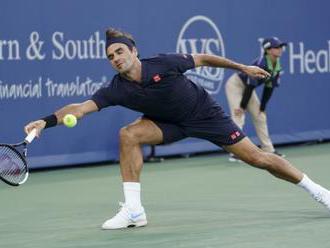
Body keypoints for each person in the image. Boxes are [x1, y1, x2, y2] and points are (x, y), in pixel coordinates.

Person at [24, 28, 330, 230]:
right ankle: (134, 211)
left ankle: (318, 192)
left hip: (204, 114)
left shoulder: (163, 63)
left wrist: (242, 67)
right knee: (128, 135)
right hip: (167, 125)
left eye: (120, 52)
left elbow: (205, 58)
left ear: (133, 51)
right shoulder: (116, 89)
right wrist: (45, 121)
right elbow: (79, 108)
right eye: (110, 56)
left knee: (258, 158)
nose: (116, 58)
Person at [225, 37, 286, 162]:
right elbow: (250, 86)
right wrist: (242, 107)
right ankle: (235, 152)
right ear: (268, 50)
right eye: (276, 47)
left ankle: (269, 150)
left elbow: (269, 89)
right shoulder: (261, 64)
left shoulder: (277, 66)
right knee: (238, 115)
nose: (280, 49)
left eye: (281, 47)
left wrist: (262, 108)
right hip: (235, 85)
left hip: (248, 89)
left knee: (260, 116)